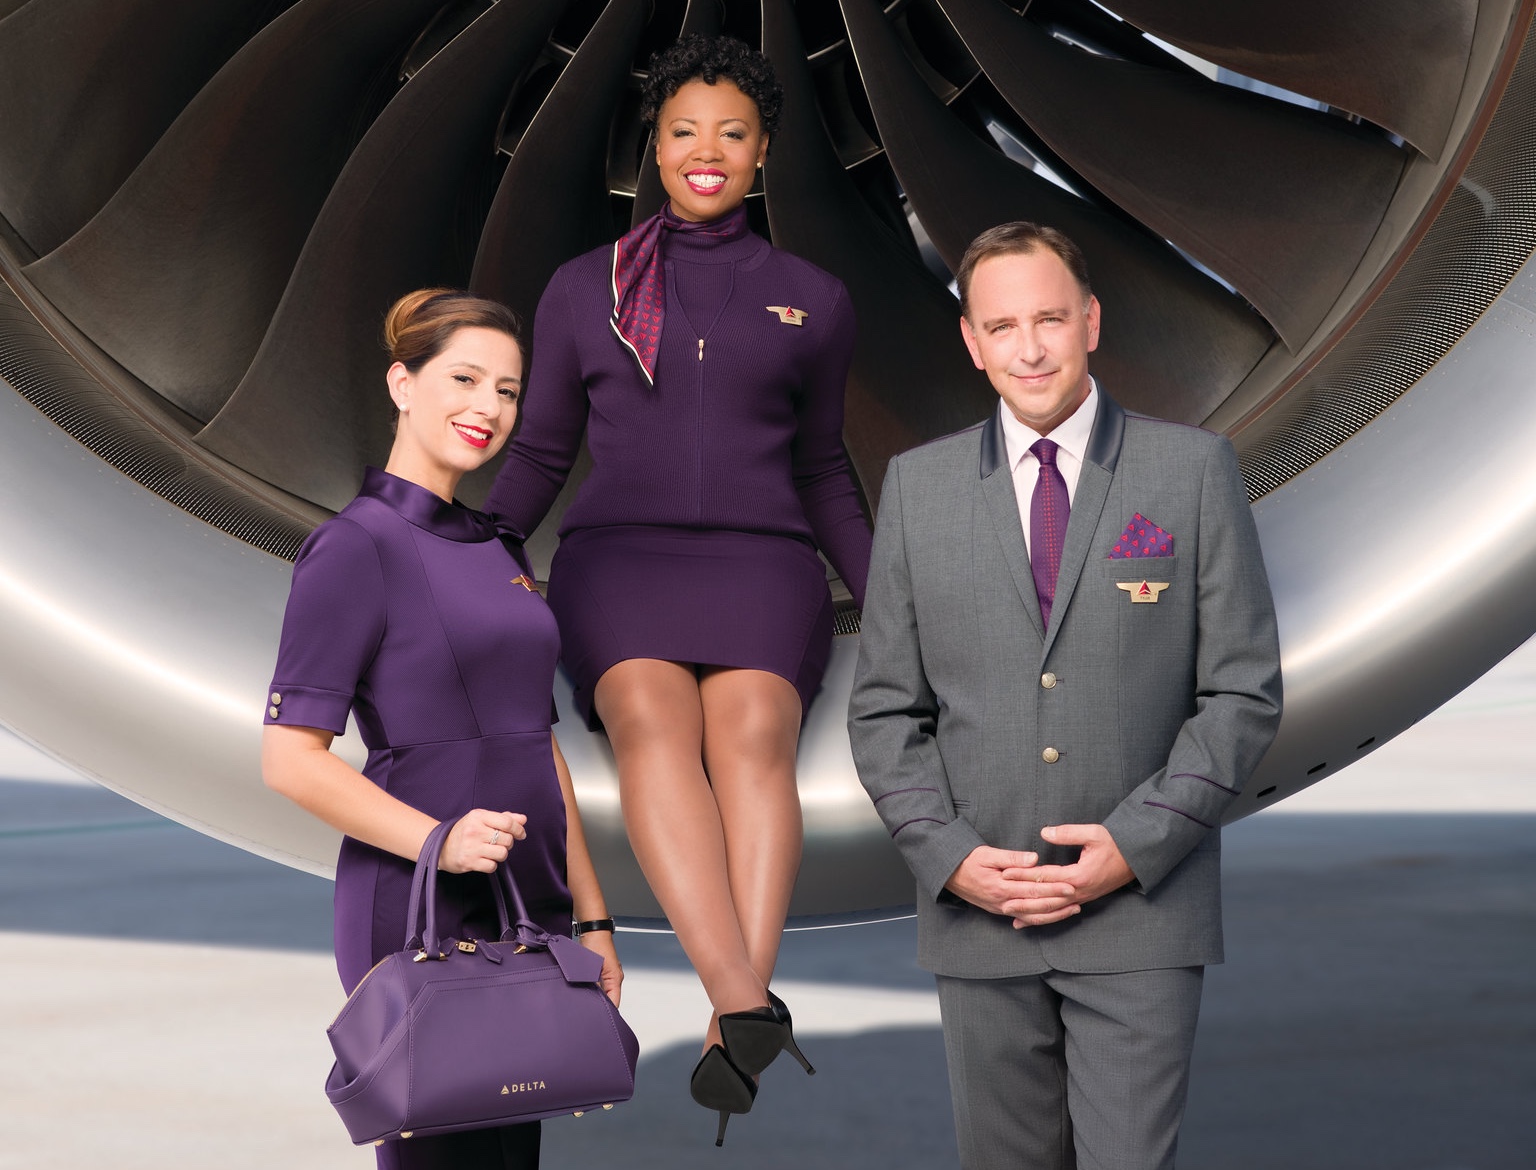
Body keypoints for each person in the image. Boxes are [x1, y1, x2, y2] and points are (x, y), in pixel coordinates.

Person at [484, 34, 870, 1144]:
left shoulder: (814, 299)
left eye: (732, 133)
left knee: (753, 735)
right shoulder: (584, 289)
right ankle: (743, 1002)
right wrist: (477, 548)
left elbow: (823, 469)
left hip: (763, 558)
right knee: (654, 723)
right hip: (622, 559)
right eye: (685, 131)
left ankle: (735, 1012)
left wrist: (887, 595)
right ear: (653, 150)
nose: (708, 151)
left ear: (763, 153)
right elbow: (542, 450)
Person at [848, 222, 1283, 1170]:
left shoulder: (1191, 469)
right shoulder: (917, 489)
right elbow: (884, 711)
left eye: (1049, 319)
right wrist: (950, 857)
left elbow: (1241, 692)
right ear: (972, 343)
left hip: (1141, 913)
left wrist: (1138, 843)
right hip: (979, 913)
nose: (1030, 348)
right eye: (1002, 327)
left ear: (1090, 321)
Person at [262, 289, 622, 1170]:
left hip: (526, 897)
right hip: (419, 895)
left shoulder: (499, 547)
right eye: (464, 379)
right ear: (402, 384)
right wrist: (440, 843)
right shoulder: (355, 546)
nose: (487, 407)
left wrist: (593, 917)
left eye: (508, 390)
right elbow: (291, 759)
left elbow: (538, 744)